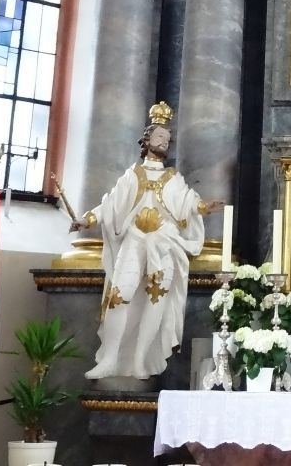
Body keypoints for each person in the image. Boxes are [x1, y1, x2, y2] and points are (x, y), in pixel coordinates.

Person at [71, 103, 223, 380]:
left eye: (167, 140)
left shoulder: (173, 177)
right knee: (120, 296)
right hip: (135, 241)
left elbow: (188, 201)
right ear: (146, 140)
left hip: (164, 244)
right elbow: (110, 205)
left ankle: (141, 359)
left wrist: (203, 207)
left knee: (156, 302)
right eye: (159, 138)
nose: (164, 143)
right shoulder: (133, 175)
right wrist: (87, 220)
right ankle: (111, 358)